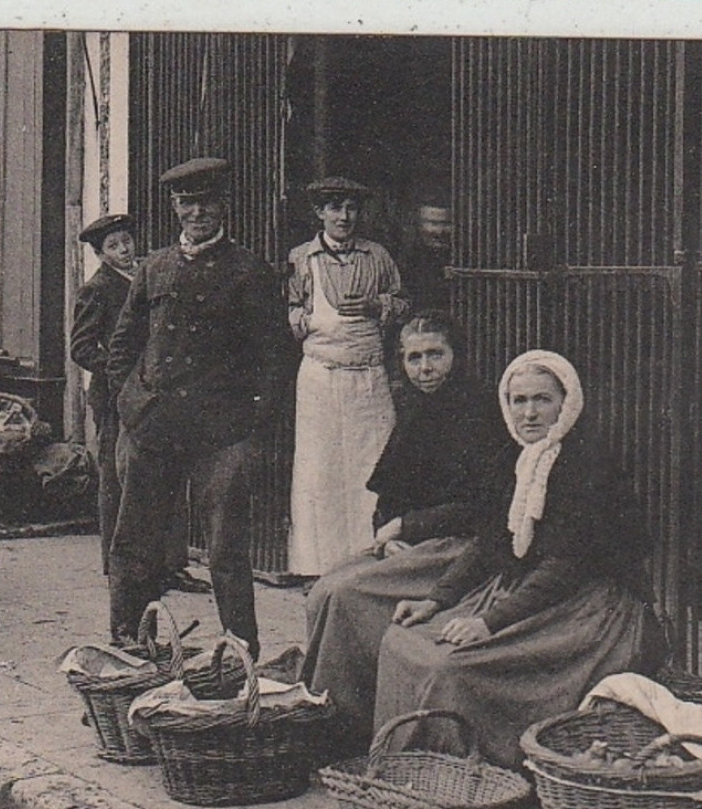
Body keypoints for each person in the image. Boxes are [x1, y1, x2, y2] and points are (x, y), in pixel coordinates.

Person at [369, 350, 665, 767]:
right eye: (518, 401)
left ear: (567, 402)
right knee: (404, 643)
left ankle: (472, 775)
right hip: (533, 590)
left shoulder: (587, 463)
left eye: (542, 400)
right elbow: (490, 542)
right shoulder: (513, 458)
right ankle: (416, 776)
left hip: (590, 609)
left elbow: (564, 569)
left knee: (449, 668)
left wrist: (486, 622)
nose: (529, 413)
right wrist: (436, 600)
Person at [105, 156, 296, 658]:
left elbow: (275, 359)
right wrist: (133, 406)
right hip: (154, 427)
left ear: (223, 206)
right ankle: (130, 640)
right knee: (135, 540)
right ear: (175, 208)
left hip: (221, 434)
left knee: (226, 548)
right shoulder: (155, 267)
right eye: (188, 203)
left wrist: (251, 427)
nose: (198, 213)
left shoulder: (249, 272)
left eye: (207, 203)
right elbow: (123, 346)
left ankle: (240, 648)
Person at [300, 311, 502, 746]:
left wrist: (409, 526)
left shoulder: (482, 411)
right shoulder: (414, 409)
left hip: (460, 548)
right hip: (414, 545)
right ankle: (336, 709)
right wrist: (392, 534)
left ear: (457, 356)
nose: (424, 369)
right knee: (322, 589)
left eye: (435, 355)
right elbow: (388, 492)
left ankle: (340, 729)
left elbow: (485, 505)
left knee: (346, 595)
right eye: (413, 358)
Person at [70, 213, 209, 594]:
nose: (124, 250)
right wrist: (123, 371)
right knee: (120, 478)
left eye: (126, 241)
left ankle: (172, 563)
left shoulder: (154, 275)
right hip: (119, 395)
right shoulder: (97, 289)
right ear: (100, 254)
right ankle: (121, 565)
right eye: (113, 246)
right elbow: (80, 347)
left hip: (160, 391)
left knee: (170, 473)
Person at [285, 176, 409, 578]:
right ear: (320, 213)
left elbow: (404, 303)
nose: (344, 216)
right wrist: (299, 319)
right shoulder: (302, 258)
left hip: (367, 377)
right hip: (320, 377)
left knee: (370, 464)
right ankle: (316, 567)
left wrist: (379, 304)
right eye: (335, 208)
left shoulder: (377, 257)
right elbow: (290, 306)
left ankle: (369, 558)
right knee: (319, 469)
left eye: (351, 208)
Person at [395, 198, 453, 315]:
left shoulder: (466, 257)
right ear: (419, 225)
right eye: (433, 223)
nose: (439, 231)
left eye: (446, 224)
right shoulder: (406, 260)